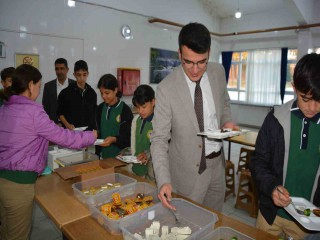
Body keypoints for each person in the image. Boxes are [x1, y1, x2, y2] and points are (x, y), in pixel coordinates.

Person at [0, 64, 97, 240]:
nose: (39, 89)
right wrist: (90, 137)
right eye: (38, 85)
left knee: (5, 231)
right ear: (30, 85)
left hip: (2, 180)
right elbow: (63, 137)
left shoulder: (5, 108)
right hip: (18, 186)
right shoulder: (33, 111)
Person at [151, 22, 237, 211]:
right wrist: (163, 181)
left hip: (217, 167)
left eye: (201, 62)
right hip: (187, 173)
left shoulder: (218, 72)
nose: (195, 69)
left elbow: (224, 101)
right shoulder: (166, 89)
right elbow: (159, 140)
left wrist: (226, 121)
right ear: (179, 54)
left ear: (209, 53)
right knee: (186, 226)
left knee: (213, 222)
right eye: (188, 62)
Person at [249, 53, 320, 240]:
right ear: (294, 88)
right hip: (271, 215)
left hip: (310, 223)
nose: (313, 107)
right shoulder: (275, 118)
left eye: (319, 99)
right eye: (306, 98)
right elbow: (258, 162)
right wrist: (272, 187)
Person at [95, 74, 133, 159]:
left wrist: (114, 139)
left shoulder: (125, 110)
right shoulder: (99, 109)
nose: (103, 96)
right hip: (102, 158)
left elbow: (129, 138)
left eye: (107, 93)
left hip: (120, 159)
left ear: (115, 90)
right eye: (101, 93)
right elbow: (95, 129)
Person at [57, 60, 97, 130]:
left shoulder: (92, 93)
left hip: (88, 132)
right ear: (74, 75)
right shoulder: (65, 93)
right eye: (79, 75)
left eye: (84, 74)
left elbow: (94, 114)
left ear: (88, 74)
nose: (82, 78)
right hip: (71, 131)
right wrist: (67, 125)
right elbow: (60, 113)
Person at [130, 84, 155, 180]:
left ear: (153, 102)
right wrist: (130, 155)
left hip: (152, 172)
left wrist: (148, 154)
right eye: (137, 107)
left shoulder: (159, 121)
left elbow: (163, 146)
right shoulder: (136, 120)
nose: (140, 111)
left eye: (144, 107)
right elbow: (133, 142)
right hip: (136, 169)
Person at [42, 58, 75, 124]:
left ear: (67, 70)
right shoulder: (48, 86)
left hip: (71, 125)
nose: (59, 72)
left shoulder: (74, 85)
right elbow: (45, 108)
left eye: (62, 68)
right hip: (54, 125)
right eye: (57, 69)